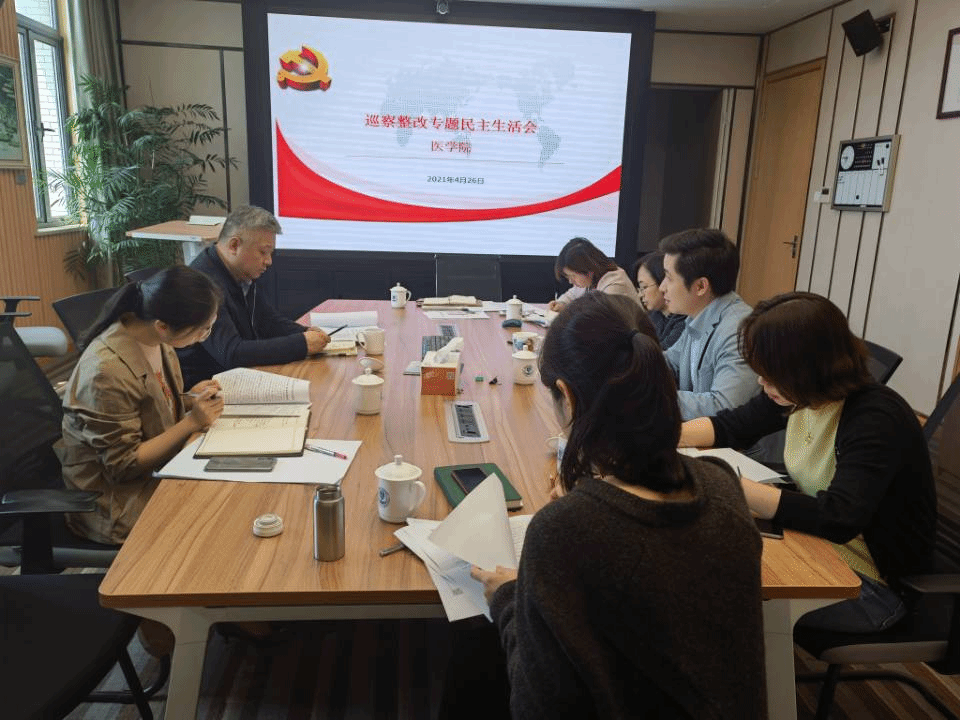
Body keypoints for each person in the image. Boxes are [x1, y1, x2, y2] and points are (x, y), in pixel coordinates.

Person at [468, 293, 767, 719]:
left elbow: (536, 707)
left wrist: (508, 598)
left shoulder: (562, 532)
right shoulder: (722, 486)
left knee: (469, 660)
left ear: (567, 397)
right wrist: (591, 500)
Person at [680, 292, 936, 633]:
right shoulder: (799, 394)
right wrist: (664, 440)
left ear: (809, 369)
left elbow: (838, 517)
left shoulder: (875, 418)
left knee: (713, 594)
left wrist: (726, 483)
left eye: (771, 373)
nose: (762, 382)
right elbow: (732, 426)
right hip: (815, 548)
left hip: (871, 587)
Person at [58, 266, 224, 545]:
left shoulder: (156, 338)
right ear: (163, 326)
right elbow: (123, 465)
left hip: (154, 473)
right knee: (214, 517)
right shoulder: (105, 371)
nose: (204, 336)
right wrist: (191, 422)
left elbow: (149, 407)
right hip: (115, 501)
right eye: (202, 330)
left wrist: (187, 399)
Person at [176, 205, 331, 388]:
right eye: (263, 252)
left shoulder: (240, 272)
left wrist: (304, 332)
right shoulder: (202, 284)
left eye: (270, 253)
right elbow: (231, 353)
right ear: (234, 245)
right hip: (208, 390)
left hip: (240, 378)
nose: (269, 261)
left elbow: (268, 321)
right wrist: (302, 344)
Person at [659, 228, 758, 420]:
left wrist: (649, 398)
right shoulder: (698, 315)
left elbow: (724, 406)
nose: (662, 287)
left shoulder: (739, 330)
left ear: (701, 286)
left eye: (669, 278)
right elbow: (670, 362)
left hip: (732, 439)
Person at [547, 237, 639, 311]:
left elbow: (597, 317)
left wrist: (568, 309)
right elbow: (571, 295)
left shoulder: (615, 285)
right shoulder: (591, 279)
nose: (571, 281)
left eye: (573, 276)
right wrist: (561, 303)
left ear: (588, 268)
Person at [633, 250, 686, 349]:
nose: (640, 295)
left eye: (644, 287)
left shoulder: (684, 320)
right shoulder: (653, 315)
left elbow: (658, 352)